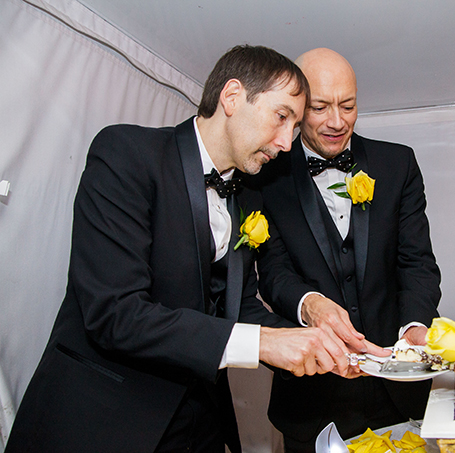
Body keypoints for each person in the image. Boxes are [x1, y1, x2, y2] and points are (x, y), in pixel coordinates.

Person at [5, 45, 355, 453]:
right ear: (232, 96)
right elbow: (115, 314)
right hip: (103, 419)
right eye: (281, 117)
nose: (286, 143)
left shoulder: (246, 196)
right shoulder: (127, 154)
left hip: (199, 423)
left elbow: (239, 309)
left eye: (294, 128)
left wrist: (317, 344)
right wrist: (262, 343)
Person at [254, 48, 442, 452]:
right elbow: (273, 271)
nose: (337, 122)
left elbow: (417, 262)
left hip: (398, 394)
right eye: (320, 108)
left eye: (349, 105)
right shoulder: (265, 174)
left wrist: (414, 329)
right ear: (299, 107)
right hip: (311, 400)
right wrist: (309, 303)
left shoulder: (398, 164)